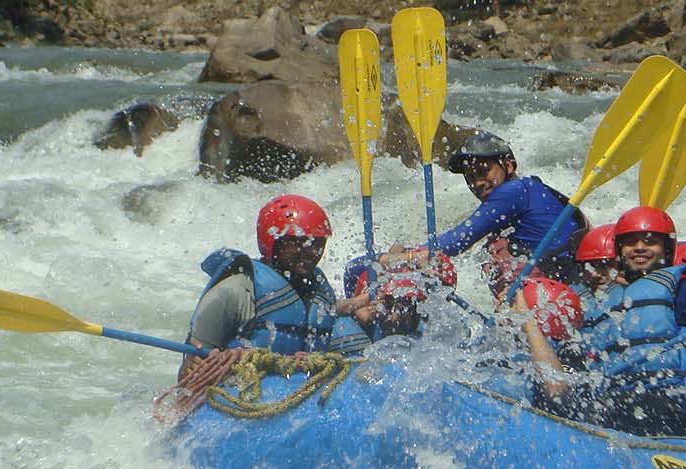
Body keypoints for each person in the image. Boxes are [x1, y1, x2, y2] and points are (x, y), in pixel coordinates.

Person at [512, 206, 686, 437]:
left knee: (628, 407)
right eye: (630, 242)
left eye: (650, 242)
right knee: (553, 396)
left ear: (667, 249)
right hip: (619, 400)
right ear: (619, 250)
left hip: (674, 402)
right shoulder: (604, 303)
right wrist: (526, 316)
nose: (640, 247)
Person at [380, 131, 586, 301]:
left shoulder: (515, 191)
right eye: (470, 176)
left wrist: (402, 257)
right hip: (565, 293)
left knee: (359, 266)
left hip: (562, 297)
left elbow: (458, 240)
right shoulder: (531, 190)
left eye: (483, 171)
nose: (476, 182)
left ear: (508, 165)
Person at [180, 195, 371, 376]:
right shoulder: (235, 290)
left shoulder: (317, 286)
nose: (310, 252)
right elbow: (189, 371)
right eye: (297, 243)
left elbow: (308, 318)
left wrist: (355, 308)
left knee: (347, 328)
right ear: (273, 242)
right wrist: (193, 364)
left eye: (316, 243)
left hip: (303, 386)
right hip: (245, 386)